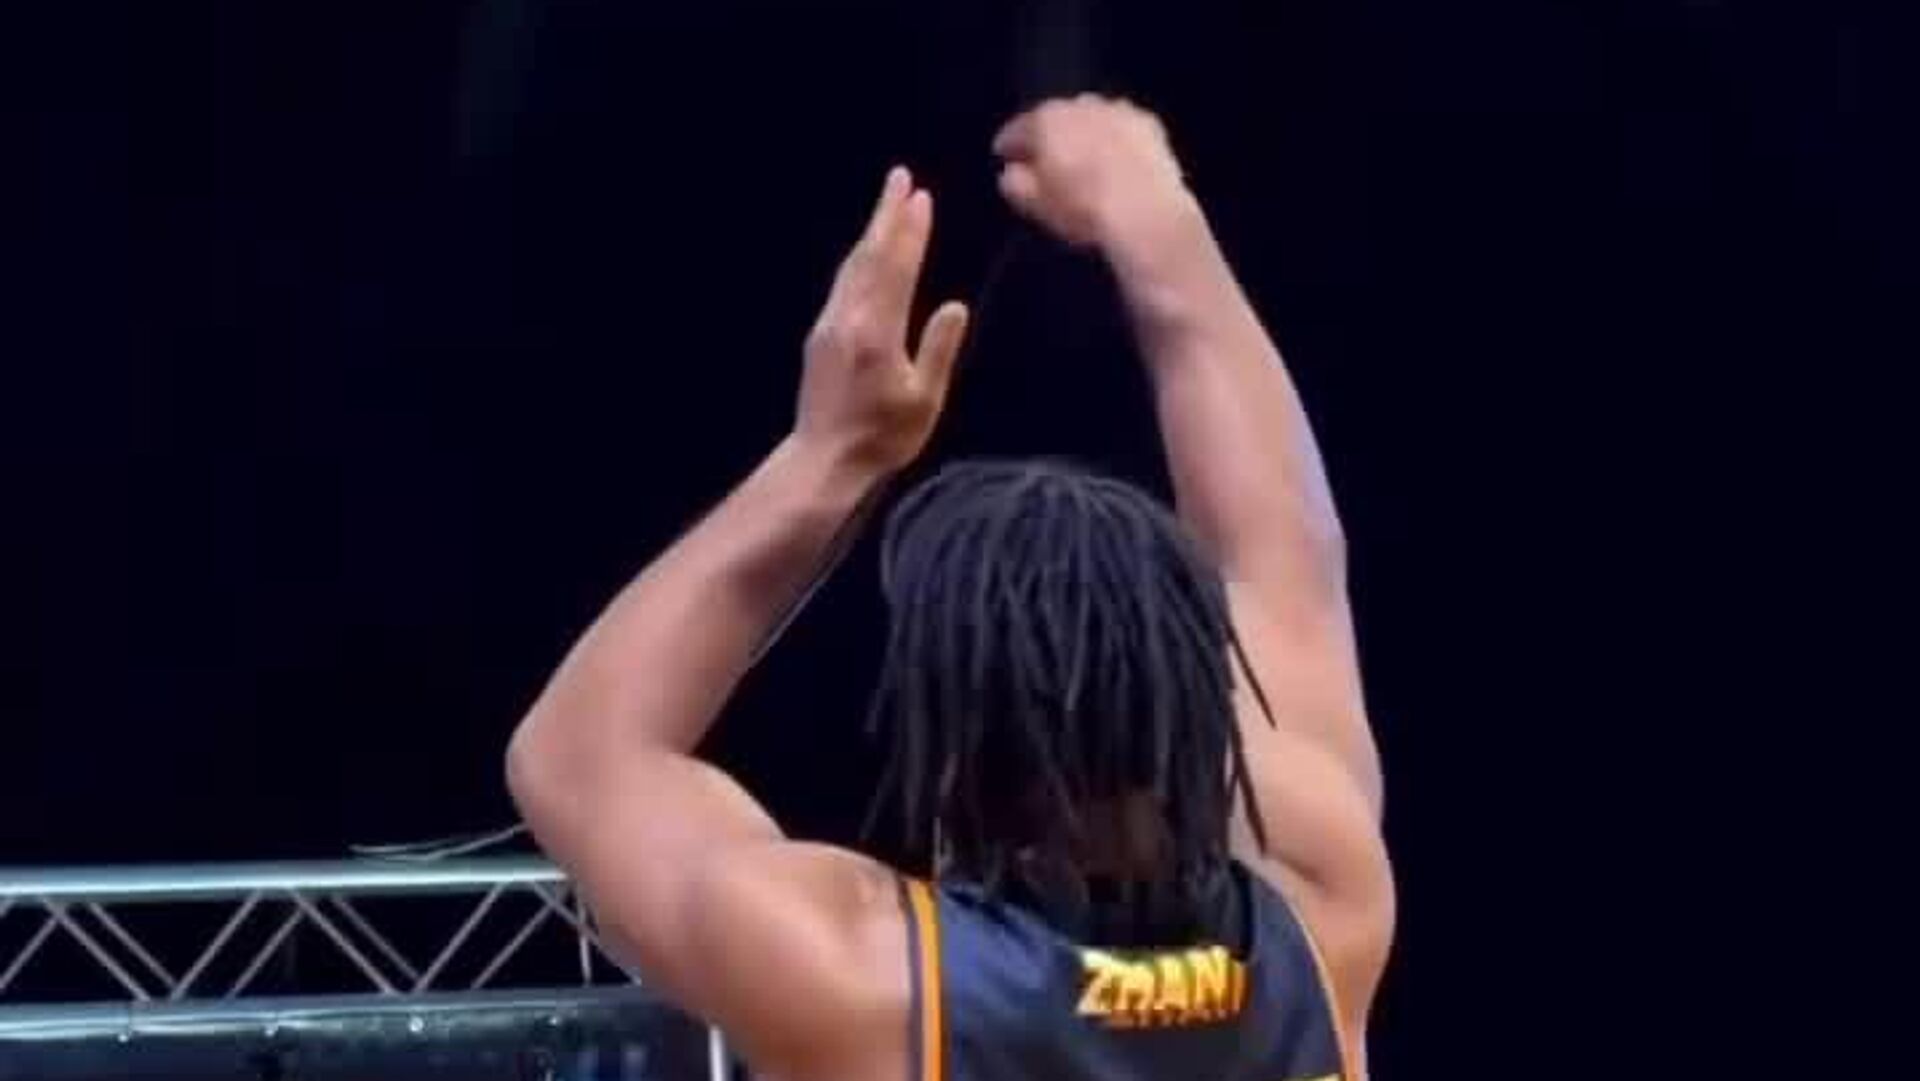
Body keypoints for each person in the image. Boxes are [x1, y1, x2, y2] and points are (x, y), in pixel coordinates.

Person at [507, 96, 1394, 1081]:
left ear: (950, 744)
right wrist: (1158, 218)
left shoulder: (864, 983)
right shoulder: (1323, 912)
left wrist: (829, 457)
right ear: (1204, 705)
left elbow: (576, 757)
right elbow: (1286, 563)